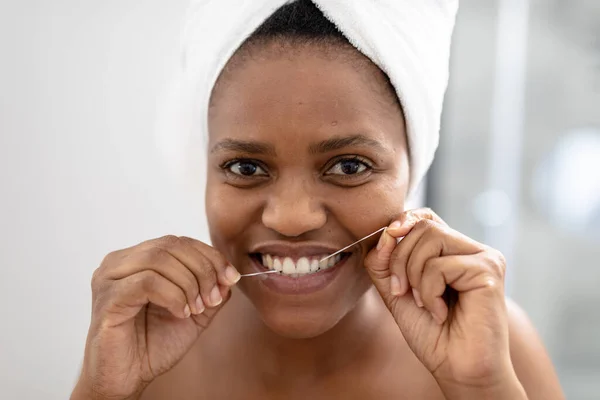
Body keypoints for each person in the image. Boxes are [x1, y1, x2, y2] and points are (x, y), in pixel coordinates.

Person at [71, 1, 564, 399]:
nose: (291, 218)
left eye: (349, 166)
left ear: (414, 170)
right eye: (246, 167)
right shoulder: (146, 352)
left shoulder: (495, 350)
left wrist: (482, 389)